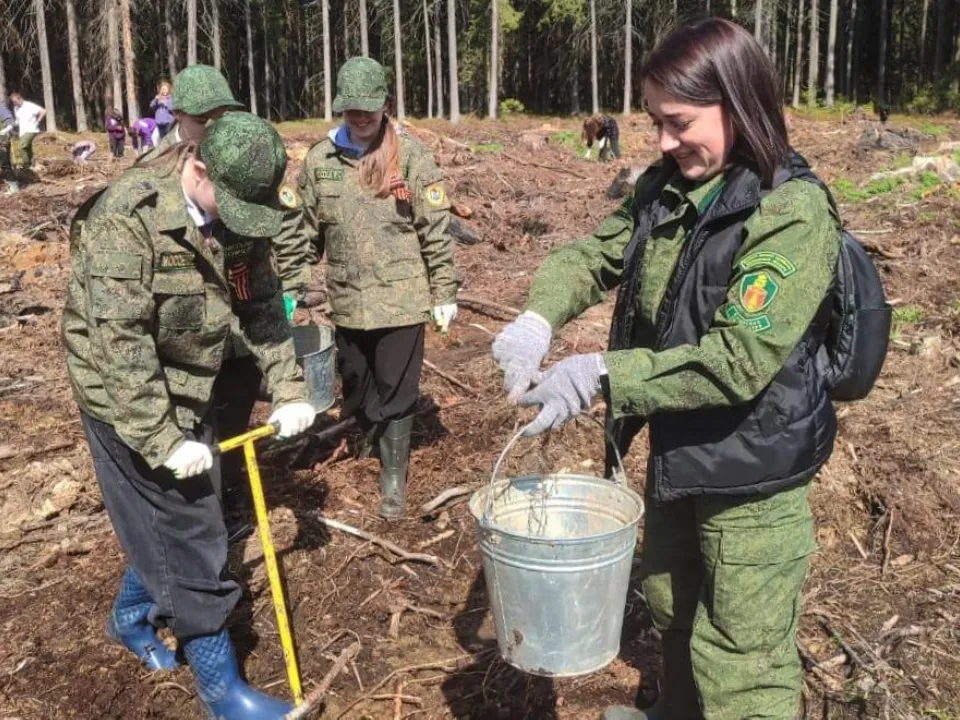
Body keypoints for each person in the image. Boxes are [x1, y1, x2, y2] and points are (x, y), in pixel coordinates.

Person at [492, 19, 841, 720]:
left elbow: (737, 362)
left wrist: (603, 376)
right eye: (654, 123)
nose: (662, 142)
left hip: (752, 473)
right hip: (680, 449)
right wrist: (538, 318)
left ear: (738, 103)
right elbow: (593, 256)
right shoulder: (667, 189)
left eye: (679, 123)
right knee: (672, 604)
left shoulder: (790, 211)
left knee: (741, 653)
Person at [61, 111, 315, 719]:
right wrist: (161, 437)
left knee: (179, 522)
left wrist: (289, 386)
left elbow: (260, 309)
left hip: (190, 381)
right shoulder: (128, 218)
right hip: (121, 398)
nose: (238, 223)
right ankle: (222, 693)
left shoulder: (239, 207)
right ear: (196, 167)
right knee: (194, 532)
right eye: (229, 205)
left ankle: (129, 616)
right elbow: (120, 344)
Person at [289, 57, 459, 517]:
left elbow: (434, 230)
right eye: (351, 109)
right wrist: (291, 286)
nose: (360, 117)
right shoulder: (320, 161)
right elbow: (305, 232)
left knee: (396, 390)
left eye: (368, 108)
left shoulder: (412, 157)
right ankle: (369, 436)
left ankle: (392, 480)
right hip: (347, 299)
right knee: (357, 384)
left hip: (402, 298)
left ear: (386, 104)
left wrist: (444, 291)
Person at [138, 64, 243, 163]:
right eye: (202, 121)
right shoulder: (150, 169)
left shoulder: (234, 155)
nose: (214, 130)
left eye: (221, 120)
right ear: (178, 114)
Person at [9, 92, 46, 170]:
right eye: (13, 102)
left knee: (22, 146)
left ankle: (27, 165)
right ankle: (33, 165)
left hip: (31, 129)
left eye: (15, 101)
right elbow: (18, 120)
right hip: (23, 131)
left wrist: (37, 121)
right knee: (28, 148)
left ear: (20, 98)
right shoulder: (16, 108)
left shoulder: (29, 105)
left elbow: (43, 111)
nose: (14, 103)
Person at [0, 98, 16, 195]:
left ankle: (14, 187)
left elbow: (10, 124)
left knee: (5, 165)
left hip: (2, 142)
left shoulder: (1, 108)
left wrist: (2, 133)